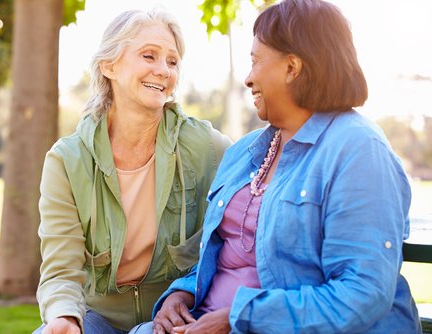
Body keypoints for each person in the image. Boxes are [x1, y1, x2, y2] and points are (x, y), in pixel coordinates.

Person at [147, 0, 422, 333]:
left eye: (256, 61)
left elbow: (362, 293)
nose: (248, 78)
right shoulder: (245, 152)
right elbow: (229, 258)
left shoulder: (358, 150)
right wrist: (181, 295)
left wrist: (243, 318)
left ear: (292, 68)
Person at [33, 8, 231, 334]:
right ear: (109, 66)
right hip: (95, 317)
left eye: (172, 61)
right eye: (149, 56)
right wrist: (65, 317)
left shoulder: (207, 147)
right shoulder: (67, 160)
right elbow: (61, 269)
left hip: (172, 316)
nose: (163, 70)